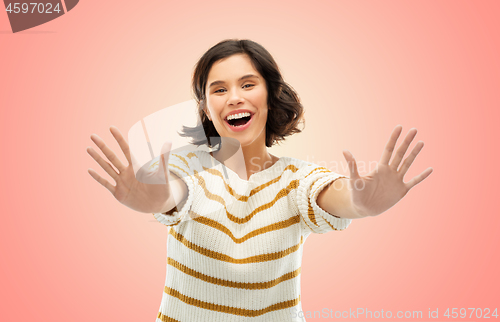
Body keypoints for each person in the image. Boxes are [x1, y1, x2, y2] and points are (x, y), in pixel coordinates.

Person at [87, 39, 433, 322]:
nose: (234, 96)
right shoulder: (187, 165)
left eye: (248, 84)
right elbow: (174, 192)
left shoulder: (296, 178)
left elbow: (332, 194)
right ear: (206, 109)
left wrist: (362, 203)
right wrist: (150, 197)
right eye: (219, 90)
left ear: (270, 95)